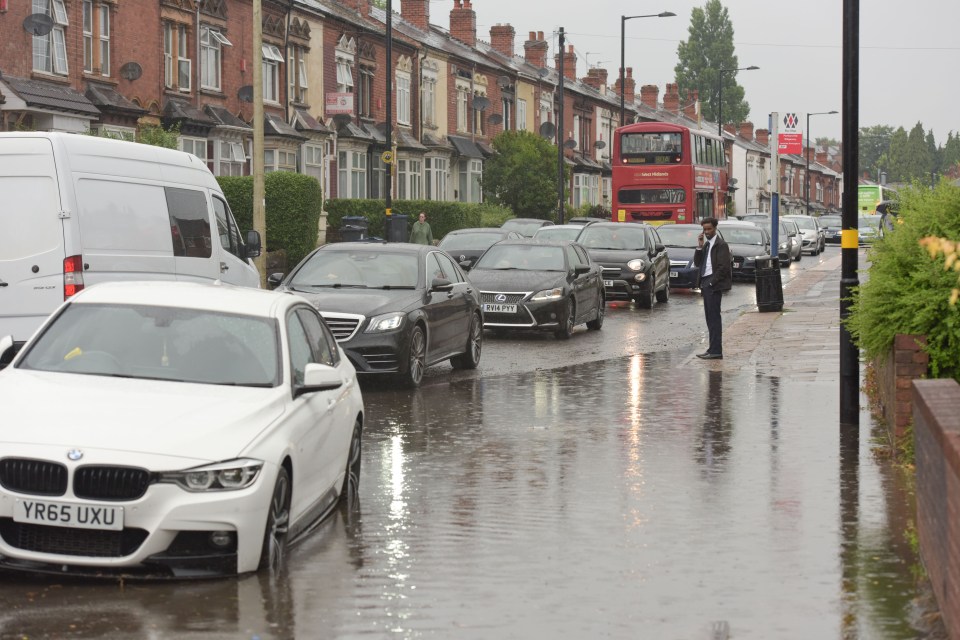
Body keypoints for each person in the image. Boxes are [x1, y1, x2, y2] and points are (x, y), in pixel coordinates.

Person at [693, 217, 732, 360]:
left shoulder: (721, 245)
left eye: (709, 229)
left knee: (714, 318)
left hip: (713, 285)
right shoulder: (707, 245)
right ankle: (712, 349)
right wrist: (699, 246)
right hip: (705, 282)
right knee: (709, 318)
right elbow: (698, 263)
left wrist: (711, 283)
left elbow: (723, 268)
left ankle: (716, 351)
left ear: (715, 228)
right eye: (705, 229)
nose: (707, 232)